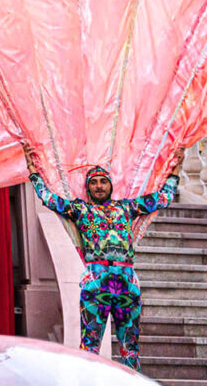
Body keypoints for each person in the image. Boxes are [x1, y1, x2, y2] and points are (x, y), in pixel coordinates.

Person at [25, 143, 184, 370]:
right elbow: (48, 198)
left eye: (103, 181)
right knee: (90, 345)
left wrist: (176, 169)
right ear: (88, 188)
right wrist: (33, 169)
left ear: (110, 185)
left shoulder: (126, 208)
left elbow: (162, 198)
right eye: (94, 182)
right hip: (96, 282)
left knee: (130, 347)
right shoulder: (80, 210)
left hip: (127, 282)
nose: (99, 186)